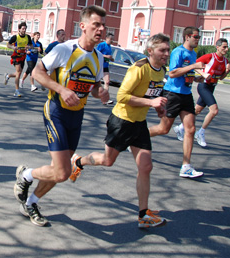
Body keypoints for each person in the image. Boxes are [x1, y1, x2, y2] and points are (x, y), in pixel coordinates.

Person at [13, 6, 109, 227]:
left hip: (77, 117)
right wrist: (62, 90)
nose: (101, 29)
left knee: (59, 171)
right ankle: (26, 175)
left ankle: (30, 202)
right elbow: (37, 73)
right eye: (96, 25)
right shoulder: (65, 49)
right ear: (83, 26)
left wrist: (99, 93)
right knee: (64, 171)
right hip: (56, 111)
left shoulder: (98, 57)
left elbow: (91, 88)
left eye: (103, 25)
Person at [69, 33, 170, 228]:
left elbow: (151, 92)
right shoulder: (138, 69)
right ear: (150, 51)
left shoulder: (161, 70)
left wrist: (158, 107)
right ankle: (78, 161)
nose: (166, 53)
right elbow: (122, 96)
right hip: (122, 121)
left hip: (139, 124)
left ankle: (143, 214)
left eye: (167, 50)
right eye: (162, 50)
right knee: (107, 161)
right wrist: (151, 102)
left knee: (146, 167)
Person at [147, 27, 205, 178]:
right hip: (172, 94)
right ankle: (134, 136)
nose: (198, 39)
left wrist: (197, 78)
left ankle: (186, 166)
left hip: (186, 94)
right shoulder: (178, 52)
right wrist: (193, 66)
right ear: (187, 37)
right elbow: (172, 73)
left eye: (199, 37)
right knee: (163, 129)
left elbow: (186, 73)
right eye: (196, 36)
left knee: (190, 129)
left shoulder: (193, 54)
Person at [192, 38, 230, 147]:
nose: (226, 49)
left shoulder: (226, 61)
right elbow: (195, 65)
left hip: (212, 87)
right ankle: (200, 132)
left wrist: (226, 71)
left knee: (197, 110)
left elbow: (221, 78)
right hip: (203, 85)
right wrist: (203, 74)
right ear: (217, 47)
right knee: (214, 110)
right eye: (224, 47)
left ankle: (181, 127)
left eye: (227, 47)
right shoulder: (210, 57)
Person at [4, 22, 32, 97]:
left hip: (23, 56)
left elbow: (31, 45)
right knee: (19, 72)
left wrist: (28, 47)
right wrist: (13, 47)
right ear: (19, 29)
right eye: (23, 29)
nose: (24, 30)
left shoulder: (28, 37)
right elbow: (8, 44)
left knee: (18, 73)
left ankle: (8, 76)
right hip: (16, 56)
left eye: (25, 29)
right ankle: (16, 91)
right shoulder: (15, 37)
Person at [96, 33, 115, 105]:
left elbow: (109, 57)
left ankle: (105, 99)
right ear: (106, 38)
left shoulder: (110, 47)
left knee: (107, 82)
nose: (112, 41)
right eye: (111, 39)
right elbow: (97, 53)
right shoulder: (101, 45)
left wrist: (111, 58)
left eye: (113, 39)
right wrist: (106, 56)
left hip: (106, 66)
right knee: (95, 82)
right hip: (99, 65)